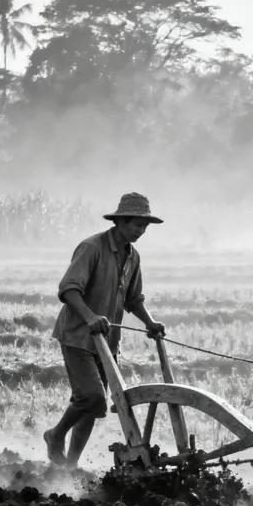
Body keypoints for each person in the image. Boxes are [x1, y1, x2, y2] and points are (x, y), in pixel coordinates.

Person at [43, 192, 166, 466]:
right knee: (93, 398)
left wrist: (150, 323)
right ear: (120, 221)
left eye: (145, 227)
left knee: (91, 409)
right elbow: (68, 289)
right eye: (137, 225)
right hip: (79, 335)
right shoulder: (92, 248)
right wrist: (89, 317)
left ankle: (70, 464)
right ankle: (55, 435)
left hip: (107, 343)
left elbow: (133, 299)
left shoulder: (132, 257)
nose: (141, 231)